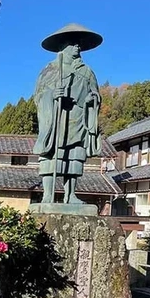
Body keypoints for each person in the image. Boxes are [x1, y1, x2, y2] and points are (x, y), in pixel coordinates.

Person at [33, 23, 103, 204]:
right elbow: (38, 95)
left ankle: (70, 195)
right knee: (51, 156)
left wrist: (91, 100)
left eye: (79, 44)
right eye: (73, 43)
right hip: (57, 119)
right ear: (62, 46)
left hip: (78, 118)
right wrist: (51, 95)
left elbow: (95, 94)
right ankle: (48, 195)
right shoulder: (50, 70)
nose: (77, 47)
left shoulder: (87, 71)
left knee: (75, 156)